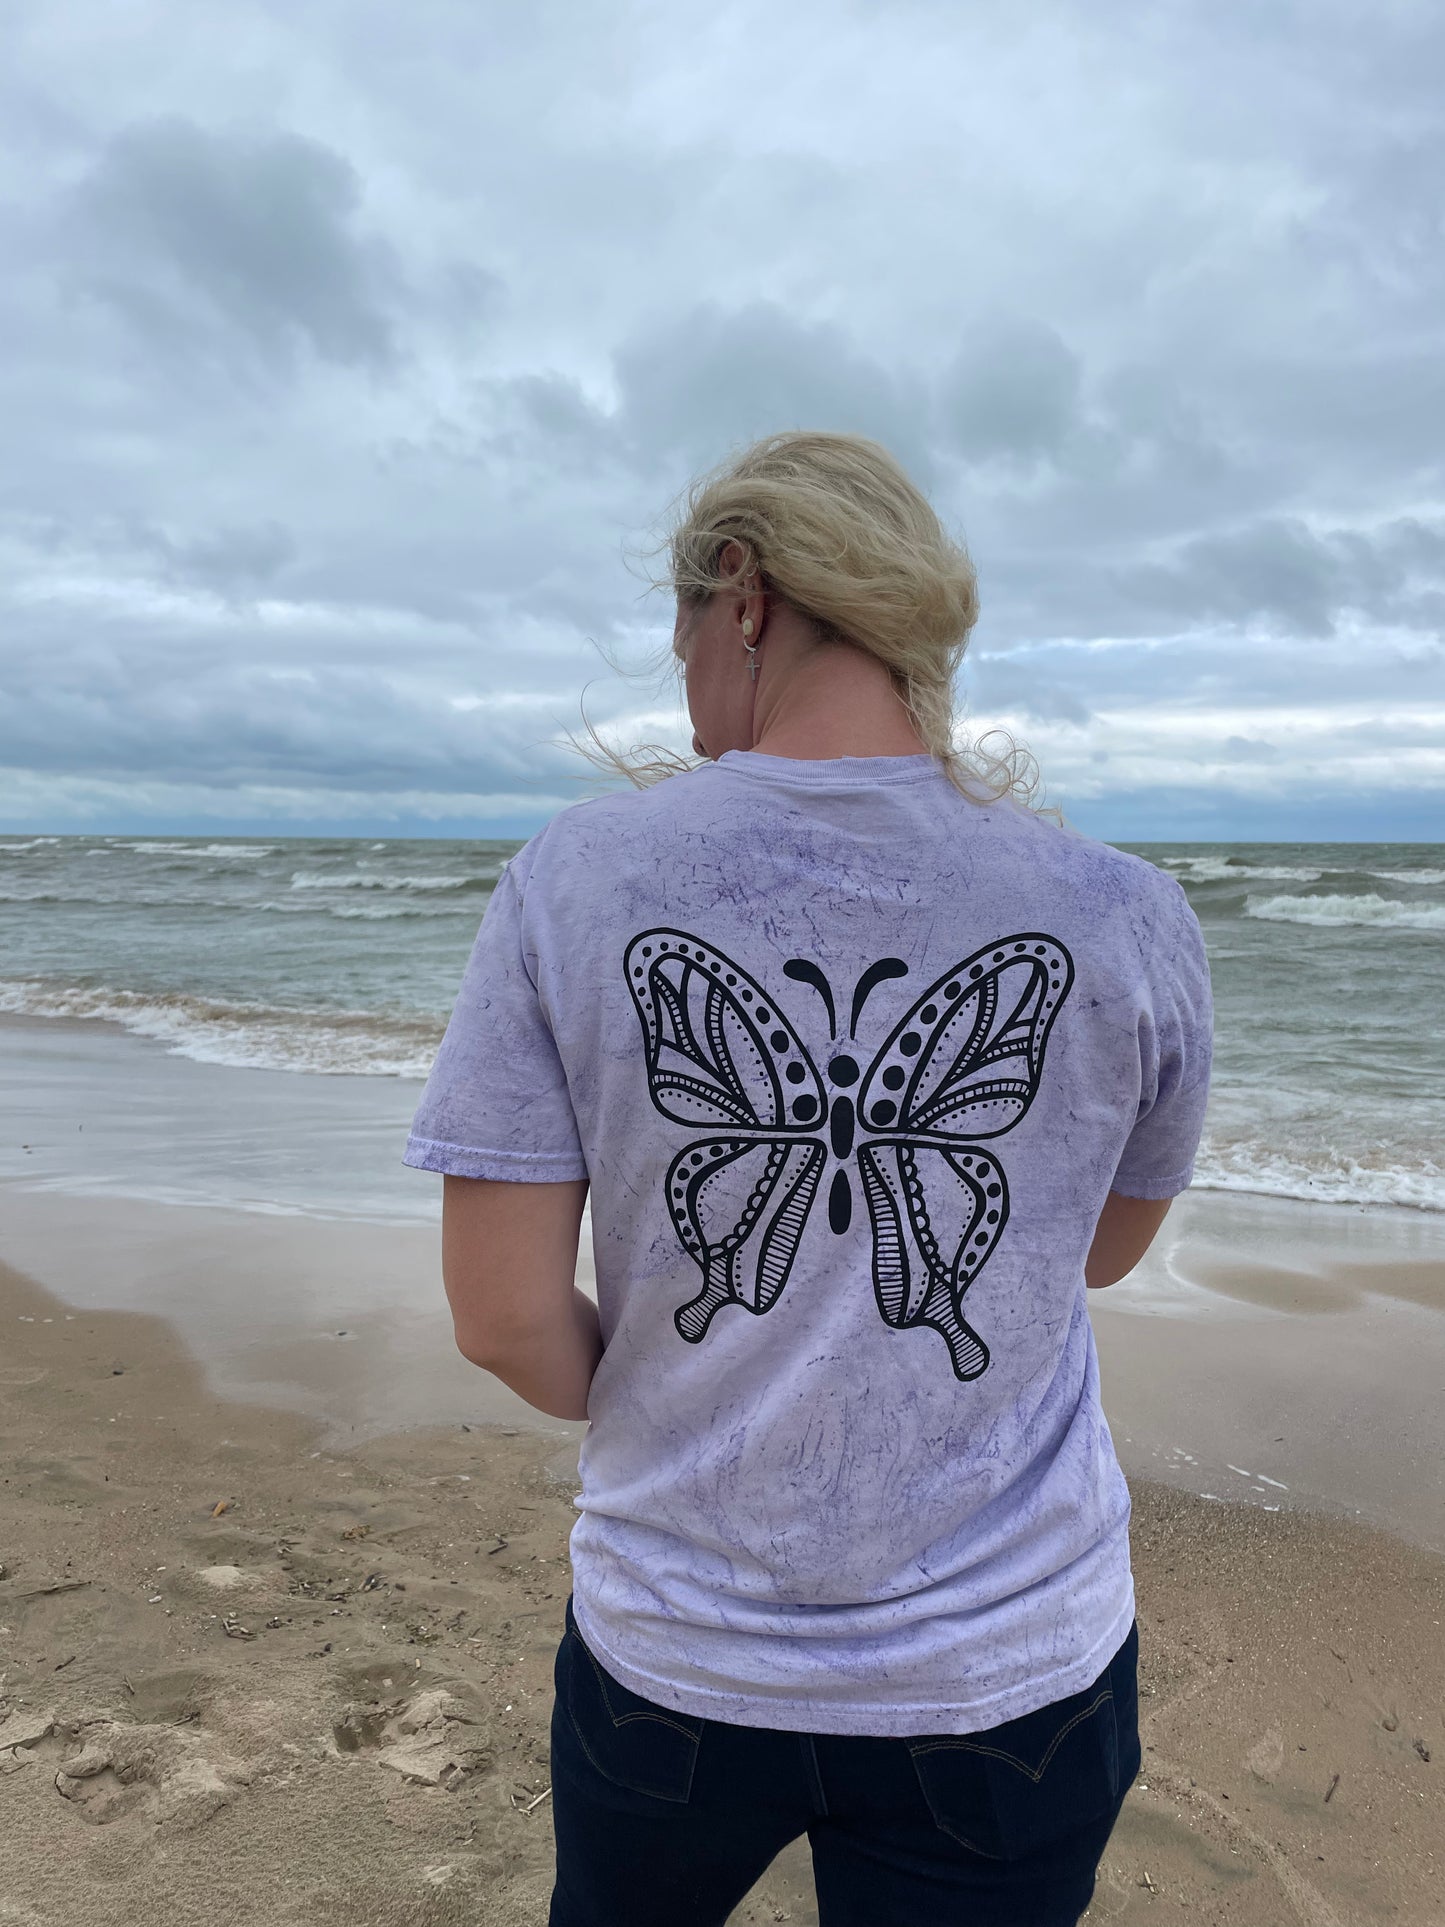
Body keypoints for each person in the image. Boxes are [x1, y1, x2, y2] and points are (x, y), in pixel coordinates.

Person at [403, 430, 1214, 1927]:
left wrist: (687, 1367)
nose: (687, 692)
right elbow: (1090, 1256)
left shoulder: (573, 883)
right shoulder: (1124, 913)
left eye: (682, 635)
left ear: (743, 591)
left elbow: (505, 1323)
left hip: (677, 1655)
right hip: (1007, 1672)